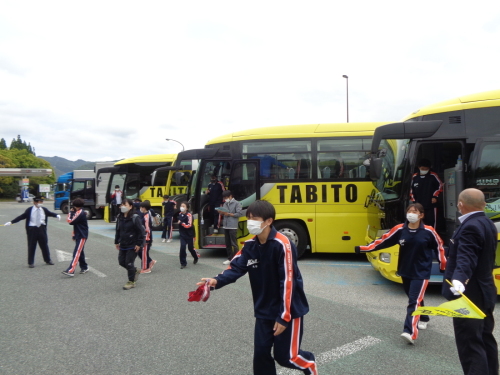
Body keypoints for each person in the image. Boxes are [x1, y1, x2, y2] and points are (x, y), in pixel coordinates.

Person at [196, 200, 317, 375]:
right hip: (264, 309)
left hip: (288, 309)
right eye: (249, 218)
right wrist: (215, 281)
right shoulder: (250, 246)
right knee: (260, 355)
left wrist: (284, 317)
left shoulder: (283, 244)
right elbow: (236, 267)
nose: (250, 222)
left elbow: (288, 280)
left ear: (268, 221)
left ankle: (310, 365)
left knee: (286, 357)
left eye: (255, 218)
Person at [355, 203, 446, 345]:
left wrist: (443, 265)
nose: (411, 214)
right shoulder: (400, 229)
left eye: (414, 211)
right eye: (409, 211)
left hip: (421, 272)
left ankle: (410, 332)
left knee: (413, 301)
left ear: (421, 215)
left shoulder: (429, 231)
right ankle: (424, 318)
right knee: (414, 297)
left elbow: (439, 247)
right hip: (405, 270)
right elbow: (383, 241)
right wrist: (363, 248)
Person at [442, 188, 498, 375]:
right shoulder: (488, 223)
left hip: (469, 295)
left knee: (470, 344)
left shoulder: (470, 226)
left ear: (460, 204)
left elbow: (467, 257)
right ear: (483, 203)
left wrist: (459, 280)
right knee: (485, 338)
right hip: (485, 291)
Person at [4, 196, 60, 268]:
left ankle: (48, 260)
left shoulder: (44, 209)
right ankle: (31, 262)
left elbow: (50, 213)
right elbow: (22, 216)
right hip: (32, 229)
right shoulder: (29, 210)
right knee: (31, 245)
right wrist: (11, 222)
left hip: (41, 228)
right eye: (39, 202)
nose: (41, 203)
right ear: (35, 202)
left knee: (44, 245)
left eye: (41, 202)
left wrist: (57, 215)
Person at [114, 198, 145, 290]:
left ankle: (131, 281)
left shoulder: (135, 218)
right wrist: (116, 241)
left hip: (133, 244)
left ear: (131, 206)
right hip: (123, 243)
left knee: (129, 263)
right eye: (122, 205)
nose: (123, 207)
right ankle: (135, 271)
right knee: (121, 262)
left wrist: (139, 244)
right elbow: (118, 230)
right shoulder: (120, 217)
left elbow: (141, 232)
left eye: (125, 205)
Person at [409, 158, 443, 228]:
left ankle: (433, 235)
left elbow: (440, 186)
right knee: (419, 222)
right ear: (419, 168)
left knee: (432, 222)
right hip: (418, 205)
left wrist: (435, 196)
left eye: (426, 169)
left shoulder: (433, 176)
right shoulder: (414, 177)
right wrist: (414, 200)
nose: (424, 170)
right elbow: (410, 189)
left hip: (431, 205)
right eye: (422, 168)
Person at [62, 198, 89, 277]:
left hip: (82, 235)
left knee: (76, 252)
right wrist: (74, 235)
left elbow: (70, 221)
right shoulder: (78, 212)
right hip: (78, 234)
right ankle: (84, 267)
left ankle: (71, 270)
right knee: (79, 251)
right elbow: (75, 224)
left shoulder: (80, 213)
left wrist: (71, 212)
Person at [219, 190, 243, 265]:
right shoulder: (225, 203)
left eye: (226, 197)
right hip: (226, 225)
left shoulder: (237, 203)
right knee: (227, 243)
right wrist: (221, 212)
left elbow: (239, 214)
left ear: (230, 196)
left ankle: (236, 258)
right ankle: (229, 258)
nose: (225, 199)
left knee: (234, 243)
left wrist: (228, 214)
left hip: (233, 225)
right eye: (224, 198)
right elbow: (224, 213)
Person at [177, 202, 199, 269]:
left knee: (190, 248)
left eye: (183, 206)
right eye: (181, 206)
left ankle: (195, 257)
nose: (182, 207)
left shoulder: (189, 215)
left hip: (189, 234)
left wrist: (181, 223)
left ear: (186, 208)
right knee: (182, 248)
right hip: (182, 234)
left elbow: (189, 225)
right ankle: (183, 263)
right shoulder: (179, 214)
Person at [137, 200, 157, 274]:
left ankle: (146, 268)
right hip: (143, 236)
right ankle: (150, 261)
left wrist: (147, 238)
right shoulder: (144, 214)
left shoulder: (146, 216)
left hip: (146, 237)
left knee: (144, 252)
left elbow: (147, 228)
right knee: (140, 252)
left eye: (141, 207)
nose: (140, 209)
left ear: (144, 208)